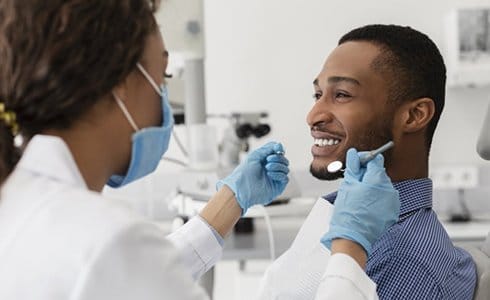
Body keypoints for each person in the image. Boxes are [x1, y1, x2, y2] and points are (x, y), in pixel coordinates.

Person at [0, 1, 399, 299]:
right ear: (119, 81)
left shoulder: (22, 204)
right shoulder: (108, 242)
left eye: (342, 94)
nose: (315, 113)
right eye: (163, 76)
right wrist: (350, 247)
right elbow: (126, 267)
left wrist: (228, 203)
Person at [258, 24, 477, 299]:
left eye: (342, 95)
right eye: (318, 95)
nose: (313, 115)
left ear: (414, 115)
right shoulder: (350, 223)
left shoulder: (403, 263)